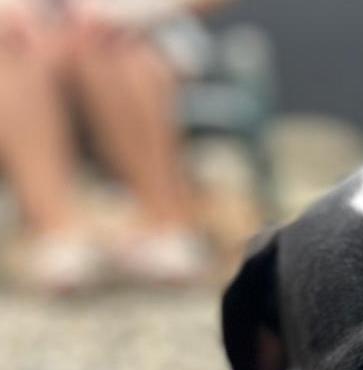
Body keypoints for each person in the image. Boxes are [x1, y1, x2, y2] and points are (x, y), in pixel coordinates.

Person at [0, 0, 224, 292]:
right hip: (26, 41)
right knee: (13, 47)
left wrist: (138, 9)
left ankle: (167, 225)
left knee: (108, 43)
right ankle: (56, 233)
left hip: (139, 39)